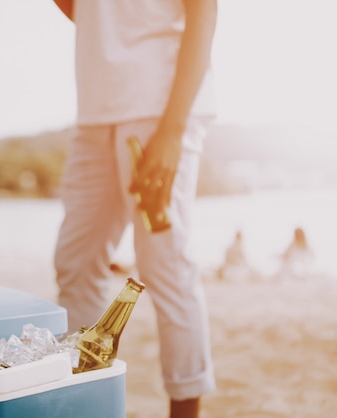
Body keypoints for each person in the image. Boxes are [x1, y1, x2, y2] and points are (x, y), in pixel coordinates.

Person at [52, 1, 217, 417]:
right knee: (75, 264)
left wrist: (173, 131)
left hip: (156, 105)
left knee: (166, 268)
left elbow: (204, 10)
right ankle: (86, 404)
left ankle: (184, 409)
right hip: (95, 108)